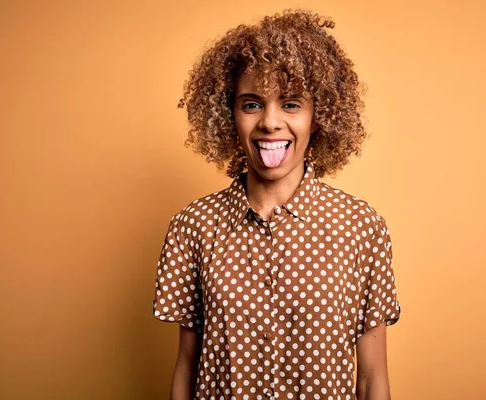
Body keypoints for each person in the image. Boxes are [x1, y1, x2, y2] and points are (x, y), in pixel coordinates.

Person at [153, 9, 401, 400]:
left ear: (318, 116)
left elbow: (372, 379)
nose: (269, 122)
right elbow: (187, 366)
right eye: (251, 104)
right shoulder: (193, 226)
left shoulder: (361, 226)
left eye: (290, 104)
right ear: (228, 115)